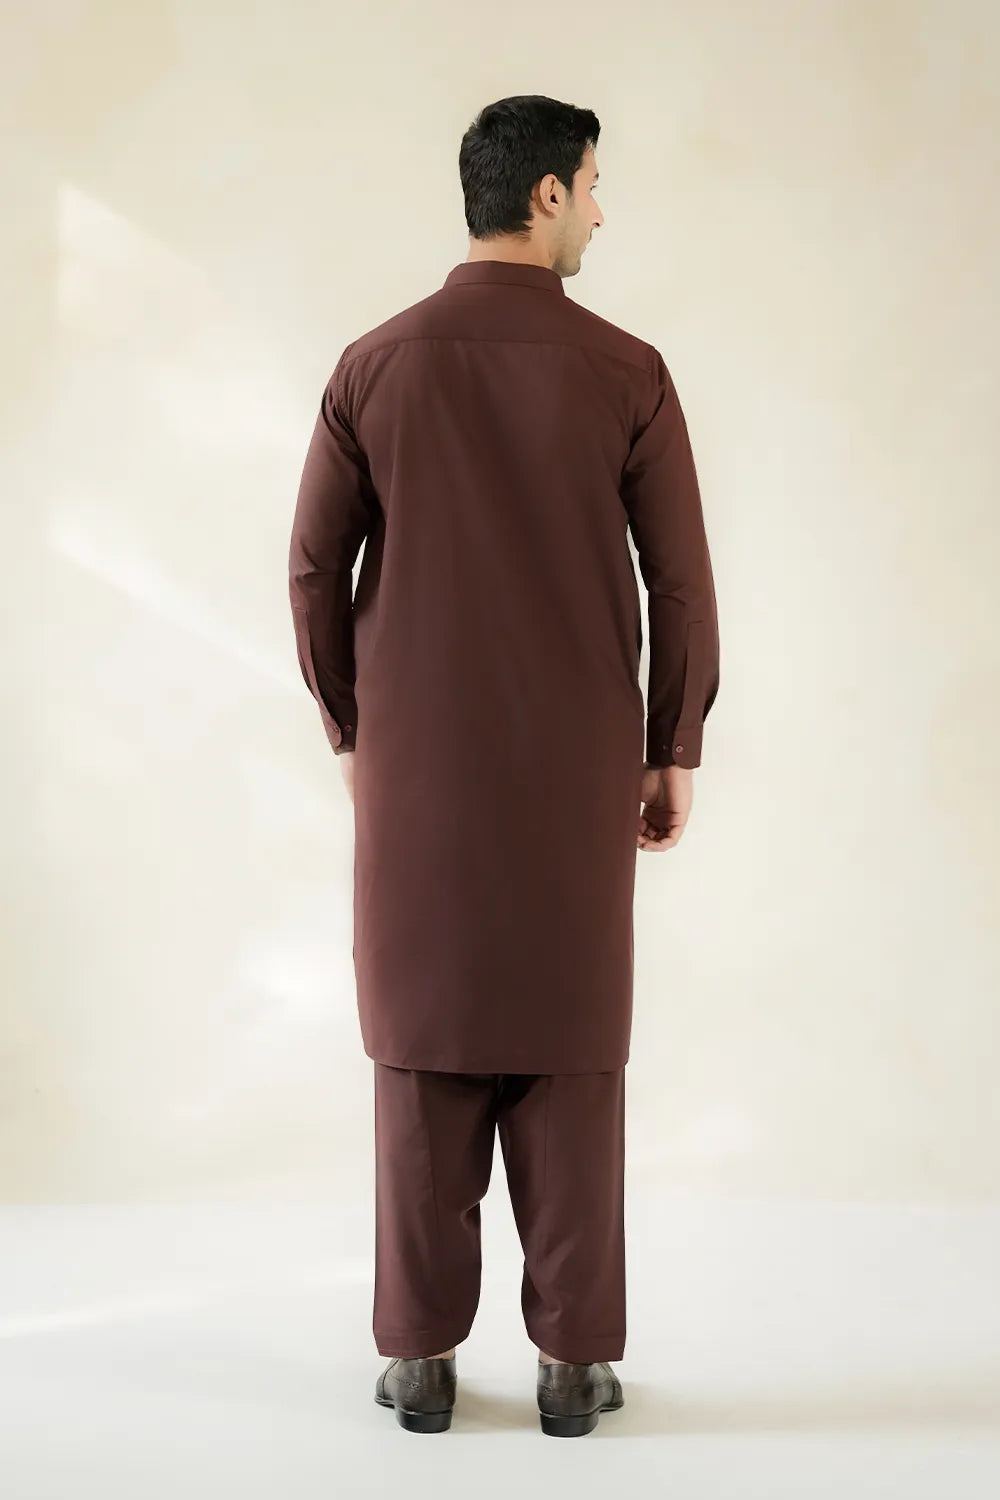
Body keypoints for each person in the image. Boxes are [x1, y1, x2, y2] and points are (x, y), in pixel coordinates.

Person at [287, 94, 720, 1437]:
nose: (600, 210)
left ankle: (418, 1358)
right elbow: (682, 582)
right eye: (591, 185)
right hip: (579, 772)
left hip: (417, 773)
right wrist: (671, 748)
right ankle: (574, 1364)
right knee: (571, 1051)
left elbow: (312, 569)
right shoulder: (627, 371)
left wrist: (354, 726)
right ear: (544, 197)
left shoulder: (374, 366)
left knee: (424, 1046)